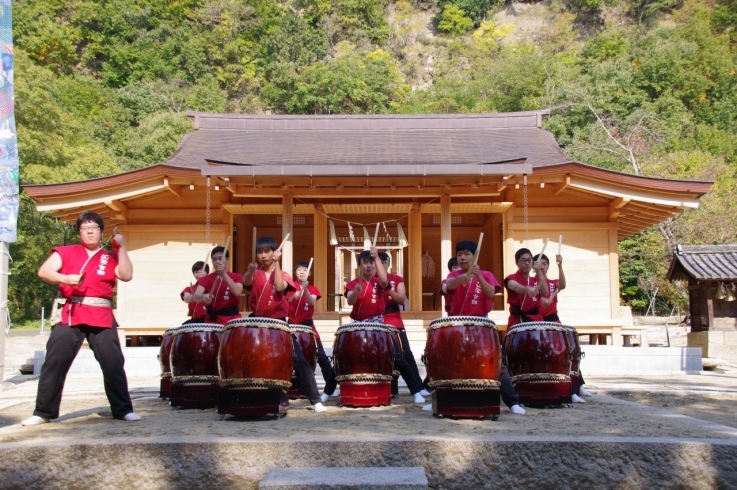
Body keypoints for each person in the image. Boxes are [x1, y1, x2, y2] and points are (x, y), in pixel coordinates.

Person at [22, 211, 140, 426]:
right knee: (55, 362)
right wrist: (64, 278)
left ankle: (123, 409)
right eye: (85, 227)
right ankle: (43, 411)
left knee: (113, 363)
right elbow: (44, 271)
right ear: (79, 232)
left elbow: (126, 275)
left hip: (101, 313)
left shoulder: (109, 255)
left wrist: (121, 248)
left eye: (94, 227)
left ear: (101, 232)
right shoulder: (65, 252)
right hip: (71, 312)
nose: (89, 231)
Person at [438, 239, 526, 415]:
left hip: (481, 325)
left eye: (466, 254)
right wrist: (462, 278)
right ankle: (440, 399)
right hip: (457, 325)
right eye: (459, 254)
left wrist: (477, 277)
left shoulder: (486, 275)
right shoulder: (453, 275)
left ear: (474, 256)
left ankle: (512, 401)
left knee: (495, 364)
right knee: (449, 364)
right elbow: (448, 287)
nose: (462, 258)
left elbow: (491, 293)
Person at [244, 237, 326, 413]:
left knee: (298, 358)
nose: (263, 255)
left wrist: (277, 264)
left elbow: (280, 287)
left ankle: (315, 400)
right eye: (260, 252)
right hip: (258, 322)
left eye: (267, 251)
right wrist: (250, 271)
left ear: (274, 252)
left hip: (279, 323)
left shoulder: (285, 274)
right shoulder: (257, 272)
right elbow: (246, 283)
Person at [344, 247, 425, 404]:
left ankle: (416, 391)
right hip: (359, 324)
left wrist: (376, 257)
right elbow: (350, 301)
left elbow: (384, 281)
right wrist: (356, 292)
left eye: (371, 263)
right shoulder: (353, 283)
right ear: (359, 265)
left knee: (399, 357)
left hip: (379, 324)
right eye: (365, 263)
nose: (368, 266)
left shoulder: (378, 282)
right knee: (347, 356)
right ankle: (329, 391)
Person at [535, 253, 591, 401]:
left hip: (553, 319)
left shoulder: (553, 283)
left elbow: (563, 285)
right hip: (537, 320)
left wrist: (560, 265)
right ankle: (566, 390)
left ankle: (579, 385)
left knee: (566, 351)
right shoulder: (532, 282)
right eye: (539, 263)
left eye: (545, 264)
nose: (542, 266)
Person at [378, 252, 429, 398]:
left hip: (394, 318)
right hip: (376, 319)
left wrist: (389, 290)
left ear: (389, 264)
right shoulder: (371, 280)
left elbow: (401, 300)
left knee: (406, 353)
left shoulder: (397, 279)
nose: (381, 265)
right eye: (378, 262)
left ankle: (418, 386)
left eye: (384, 262)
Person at [287, 261, 339, 403]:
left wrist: (305, 290)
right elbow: (285, 302)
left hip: (308, 327)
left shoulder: (314, 289)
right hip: (291, 326)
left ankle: (330, 388)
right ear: (295, 273)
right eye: (299, 270)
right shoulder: (290, 287)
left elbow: (311, 302)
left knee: (321, 356)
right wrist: (295, 295)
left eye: (305, 270)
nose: (302, 272)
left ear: (309, 273)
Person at [193, 246, 243, 325]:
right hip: (212, 320)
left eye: (220, 258)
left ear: (227, 260)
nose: (217, 261)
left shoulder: (236, 276)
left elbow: (237, 292)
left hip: (232, 320)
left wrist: (224, 274)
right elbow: (196, 295)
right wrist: (204, 297)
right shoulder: (207, 278)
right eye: (214, 259)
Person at [504, 248, 549, 329]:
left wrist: (538, 271)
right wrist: (528, 289)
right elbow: (515, 287)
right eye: (523, 260)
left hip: (536, 321)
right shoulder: (511, 278)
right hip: (517, 321)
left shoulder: (536, 279)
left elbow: (545, 292)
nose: (527, 263)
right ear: (517, 263)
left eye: (529, 260)